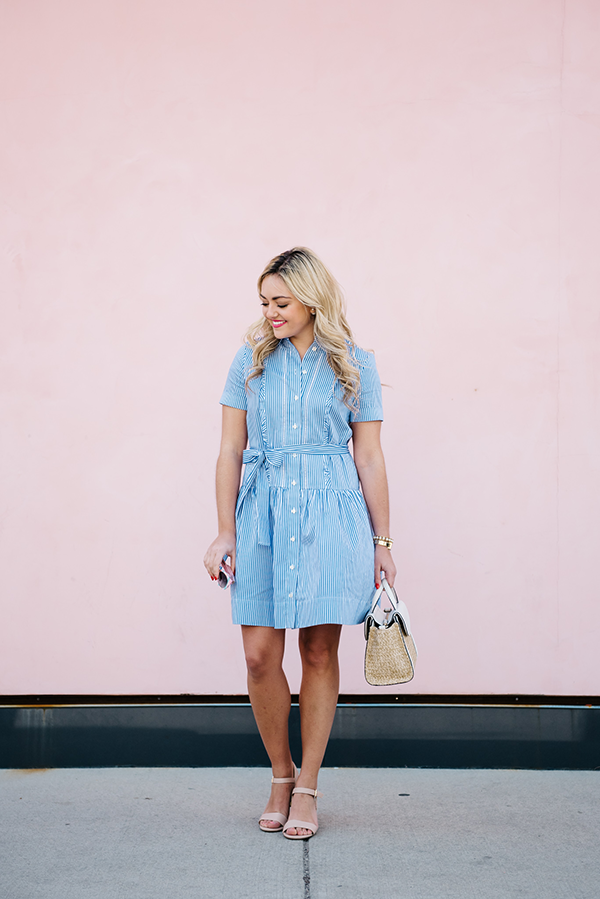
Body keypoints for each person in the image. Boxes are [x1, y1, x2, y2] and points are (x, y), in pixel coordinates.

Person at [203, 247, 396, 839]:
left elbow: (368, 455)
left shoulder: (354, 364)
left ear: (312, 299)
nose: (270, 314)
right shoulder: (250, 362)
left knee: (317, 653)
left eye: (281, 302)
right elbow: (229, 450)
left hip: (332, 521)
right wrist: (224, 531)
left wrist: (383, 540)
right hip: (261, 517)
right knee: (260, 656)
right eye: (264, 303)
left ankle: (307, 784)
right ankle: (279, 774)